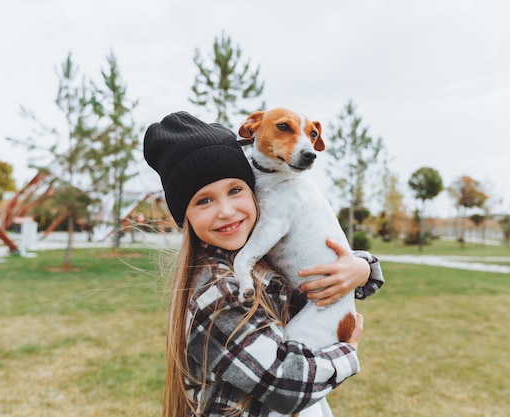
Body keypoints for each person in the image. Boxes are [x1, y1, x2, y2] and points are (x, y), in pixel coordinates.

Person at [144, 111, 384, 417]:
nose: (227, 211)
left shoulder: (259, 261)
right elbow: (284, 385)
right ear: (184, 216)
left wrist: (362, 268)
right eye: (204, 201)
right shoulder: (218, 294)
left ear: (255, 192)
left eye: (235, 190)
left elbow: (313, 266)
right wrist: (347, 353)